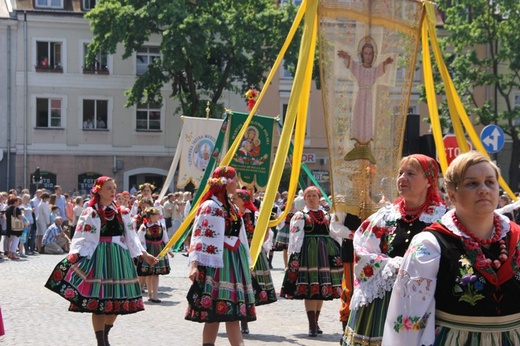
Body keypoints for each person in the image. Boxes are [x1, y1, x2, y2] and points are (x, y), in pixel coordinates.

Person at [382, 151, 520, 345]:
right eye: (472, 183)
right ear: (452, 194)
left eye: (490, 182)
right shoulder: (431, 244)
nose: (484, 190)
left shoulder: (516, 237)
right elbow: (407, 319)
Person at [342, 154, 446, 345]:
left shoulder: (442, 219)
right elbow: (361, 247)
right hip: (383, 301)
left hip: (425, 303)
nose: (402, 178)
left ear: (429, 181)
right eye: (400, 173)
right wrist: (388, 265)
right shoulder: (386, 216)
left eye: (411, 173)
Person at [45, 176, 158, 346]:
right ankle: (101, 341)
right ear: (98, 190)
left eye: (114, 188)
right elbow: (81, 237)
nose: (113, 191)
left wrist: (144, 254)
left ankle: (105, 334)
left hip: (120, 259)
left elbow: (132, 237)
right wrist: (75, 254)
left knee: (118, 302)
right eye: (108, 188)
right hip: (99, 258)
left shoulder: (122, 213)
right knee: (99, 302)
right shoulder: (91, 212)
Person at [185, 166, 256, 346]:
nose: (238, 182)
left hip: (233, 262)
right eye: (235, 178)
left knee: (232, 315)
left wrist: (246, 262)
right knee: (213, 315)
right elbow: (199, 234)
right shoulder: (210, 206)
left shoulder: (230, 206)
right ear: (226, 182)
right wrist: (194, 264)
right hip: (217, 264)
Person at [280, 186, 343, 337]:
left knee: (321, 289)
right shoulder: (300, 216)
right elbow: (295, 239)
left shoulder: (328, 215)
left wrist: (338, 251)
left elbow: (335, 234)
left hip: (325, 255)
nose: (311, 198)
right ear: (305, 198)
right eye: (308, 196)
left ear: (318, 196)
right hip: (309, 255)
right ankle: (312, 325)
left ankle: (316, 321)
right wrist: (293, 257)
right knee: (311, 288)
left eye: (314, 195)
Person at [337, 37, 394, 163]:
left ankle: (367, 146)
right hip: (361, 96)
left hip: (369, 98)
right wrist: (346, 56)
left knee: (368, 119)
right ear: (362, 54)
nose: (368, 56)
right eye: (365, 53)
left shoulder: (373, 71)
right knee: (359, 117)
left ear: (373, 55)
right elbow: (351, 64)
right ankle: (357, 145)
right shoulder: (359, 68)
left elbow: (380, 68)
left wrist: (386, 63)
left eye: (370, 54)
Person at [233, 189, 277, 334]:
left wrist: (254, 245)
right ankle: (238, 319)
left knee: (249, 287)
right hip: (235, 252)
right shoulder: (232, 214)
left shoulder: (255, 215)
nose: (232, 199)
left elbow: (265, 235)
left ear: (243, 200)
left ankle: (244, 321)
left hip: (253, 252)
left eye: (235, 197)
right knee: (238, 285)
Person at [137, 207, 174, 303]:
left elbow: (165, 239)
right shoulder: (144, 226)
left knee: (156, 274)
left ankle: (155, 295)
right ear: (151, 216)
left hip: (159, 250)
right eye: (156, 214)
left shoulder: (161, 225)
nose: (158, 215)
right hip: (149, 250)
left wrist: (169, 250)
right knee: (149, 273)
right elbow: (140, 240)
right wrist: (143, 252)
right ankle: (150, 294)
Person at [5, 194, 24, 260]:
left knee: (10, 240)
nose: (18, 203)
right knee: (16, 240)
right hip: (16, 227)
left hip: (9, 226)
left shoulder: (7, 208)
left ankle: (9, 253)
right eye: (17, 201)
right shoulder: (17, 209)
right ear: (15, 202)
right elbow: (20, 217)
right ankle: (13, 253)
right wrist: (23, 215)